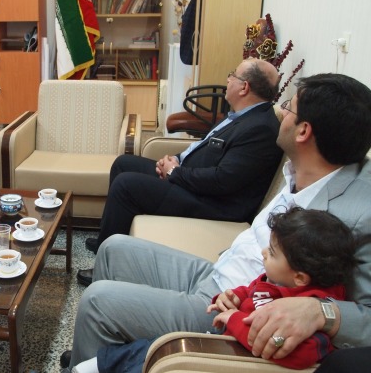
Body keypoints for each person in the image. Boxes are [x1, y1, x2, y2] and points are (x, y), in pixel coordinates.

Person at [64, 72, 371, 370]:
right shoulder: (301, 170)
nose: (281, 113)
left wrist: (321, 311)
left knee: (96, 302)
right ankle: (105, 356)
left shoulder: (362, 213)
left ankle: (99, 349)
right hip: (220, 271)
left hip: (228, 308)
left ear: (303, 131)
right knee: (113, 248)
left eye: (288, 107)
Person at [69, 207, 358, 372]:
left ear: (300, 277)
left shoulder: (304, 311)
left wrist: (234, 318)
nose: (263, 253)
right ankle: (92, 356)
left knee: (120, 333)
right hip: (222, 290)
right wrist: (232, 297)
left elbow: (291, 353)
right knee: (113, 247)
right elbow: (253, 288)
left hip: (225, 339)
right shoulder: (278, 280)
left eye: (271, 252)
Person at [78, 58, 283, 285]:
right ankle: (108, 237)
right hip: (196, 183)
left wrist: (175, 173)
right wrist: (176, 159)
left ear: (244, 87)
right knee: (123, 163)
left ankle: (105, 269)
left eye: (233, 75)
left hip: (214, 204)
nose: (228, 79)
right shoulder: (242, 115)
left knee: (126, 185)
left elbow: (222, 181)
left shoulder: (260, 128)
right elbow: (204, 148)